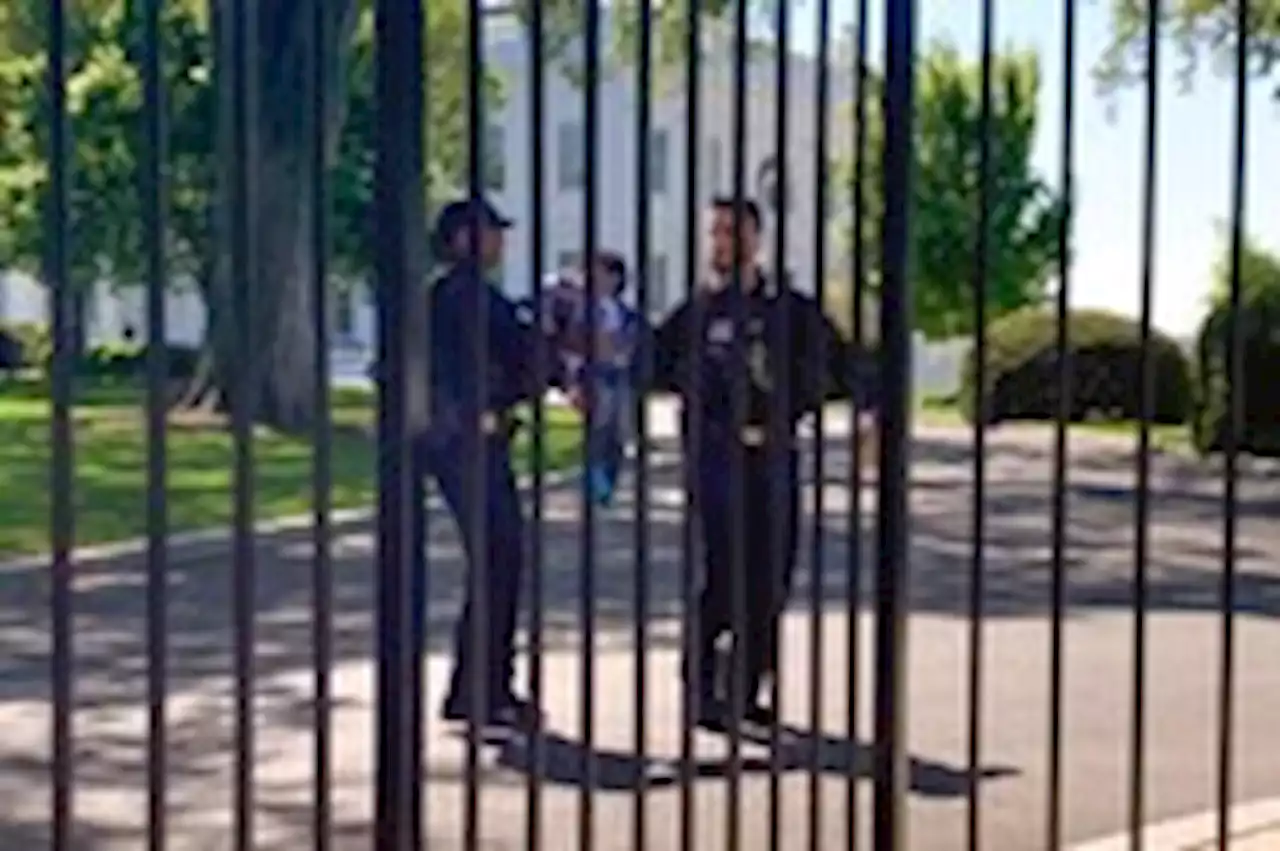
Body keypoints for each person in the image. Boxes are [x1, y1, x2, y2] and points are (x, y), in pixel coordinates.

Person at [644, 196, 880, 731]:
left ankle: (747, 690)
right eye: (717, 232)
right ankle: (703, 690)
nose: (723, 242)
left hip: (774, 458)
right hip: (715, 461)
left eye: (733, 231)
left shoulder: (791, 309)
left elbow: (848, 365)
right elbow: (652, 366)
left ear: (756, 238)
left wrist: (869, 414)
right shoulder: (697, 311)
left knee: (771, 577)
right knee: (722, 575)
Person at [419, 197, 562, 728]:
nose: (500, 242)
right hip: (468, 446)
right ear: (462, 239)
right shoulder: (466, 298)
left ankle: (475, 687)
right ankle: (486, 689)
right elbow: (520, 362)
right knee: (501, 559)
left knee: (497, 562)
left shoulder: (460, 296)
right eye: (490, 232)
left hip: (466, 443)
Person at [579, 252, 642, 505]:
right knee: (598, 430)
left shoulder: (625, 312)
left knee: (619, 434)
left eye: (601, 272)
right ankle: (595, 486)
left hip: (621, 374)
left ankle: (609, 484)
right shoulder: (584, 310)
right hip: (598, 375)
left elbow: (633, 338)